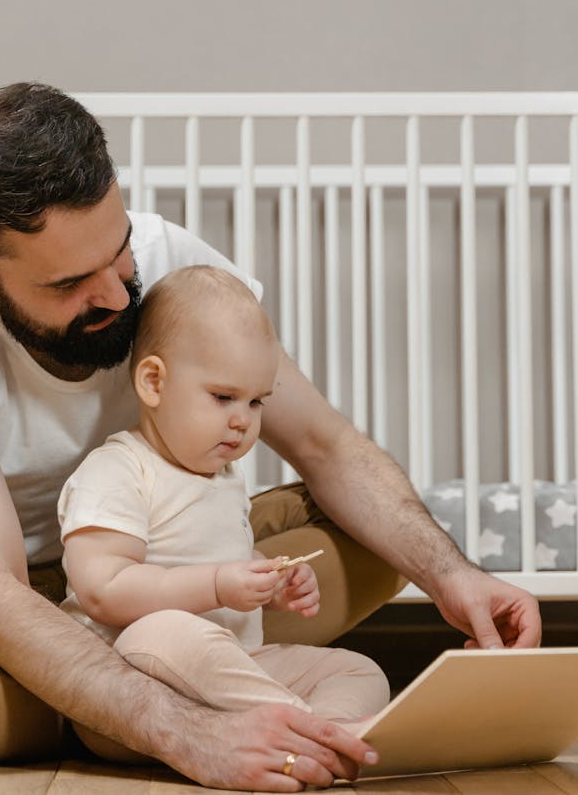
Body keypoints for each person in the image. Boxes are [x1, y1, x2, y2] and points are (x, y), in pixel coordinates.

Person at [0, 81, 541, 792]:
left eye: (117, 252)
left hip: (148, 574)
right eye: (69, 285)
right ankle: (156, 701)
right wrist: (185, 732)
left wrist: (454, 574)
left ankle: (123, 698)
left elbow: (326, 445)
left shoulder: (168, 258)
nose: (118, 293)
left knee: (375, 543)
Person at [59, 266, 390, 761]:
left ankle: (321, 732)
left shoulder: (224, 478)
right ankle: (314, 731)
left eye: (256, 401)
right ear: (153, 382)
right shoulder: (118, 470)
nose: (243, 420)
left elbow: (221, 555)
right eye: (223, 397)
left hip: (235, 671)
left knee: (360, 670)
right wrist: (217, 585)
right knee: (162, 630)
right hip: (133, 687)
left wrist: (270, 585)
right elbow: (104, 592)